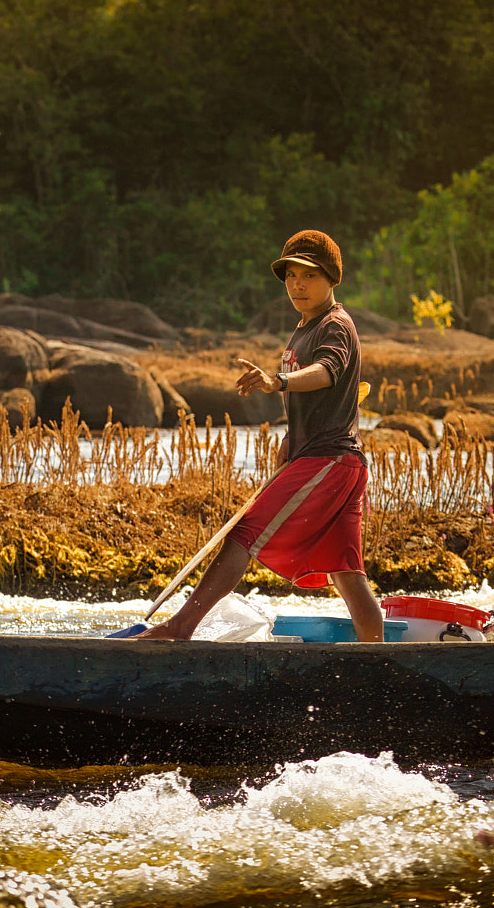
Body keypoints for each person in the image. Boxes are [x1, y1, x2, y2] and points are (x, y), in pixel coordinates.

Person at [137, 229, 384, 641]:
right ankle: (377, 660)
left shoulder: (335, 326)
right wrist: (292, 436)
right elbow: (330, 397)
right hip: (329, 458)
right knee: (347, 572)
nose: (297, 284)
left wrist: (278, 381)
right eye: (290, 275)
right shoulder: (304, 327)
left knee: (244, 533)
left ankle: (180, 628)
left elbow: (327, 373)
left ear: (330, 279)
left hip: (329, 461)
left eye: (308, 275)